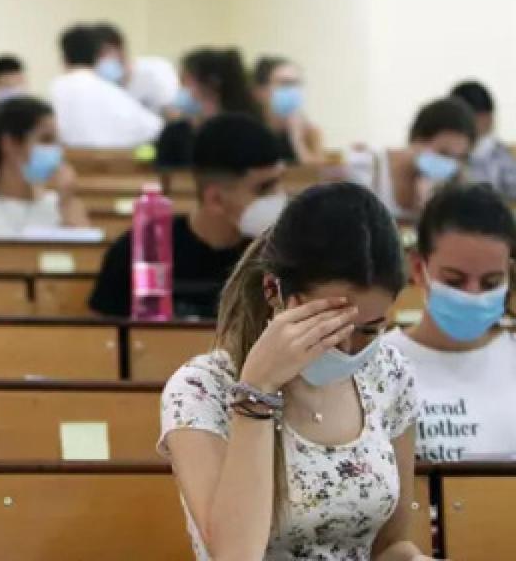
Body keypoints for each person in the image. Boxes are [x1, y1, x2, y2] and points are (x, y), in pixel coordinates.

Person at [160, 181, 430, 560]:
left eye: (370, 329)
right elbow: (234, 554)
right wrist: (257, 389)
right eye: (329, 327)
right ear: (274, 289)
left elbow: (391, 545)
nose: (349, 348)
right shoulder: (201, 388)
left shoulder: (388, 372)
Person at [90, 113, 286, 319]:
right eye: (264, 188)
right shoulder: (139, 252)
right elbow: (103, 339)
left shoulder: (280, 256)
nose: (278, 197)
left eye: (279, 182)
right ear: (215, 199)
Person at [383, 183, 516, 462]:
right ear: (419, 269)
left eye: (491, 282)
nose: (473, 295)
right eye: (454, 280)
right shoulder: (381, 363)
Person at [0, 97, 89, 238]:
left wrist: (66, 203)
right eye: (46, 140)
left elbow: (84, 254)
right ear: (10, 144)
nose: (57, 150)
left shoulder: (60, 204)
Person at [345, 97, 476, 219]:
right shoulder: (366, 168)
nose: (452, 165)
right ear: (418, 141)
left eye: (460, 158)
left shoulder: (443, 190)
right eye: (444, 154)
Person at [50, 24, 162, 149]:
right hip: (120, 162)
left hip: (73, 160)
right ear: (96, 57)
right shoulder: (111, 91)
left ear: (64, 59)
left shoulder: (57, 87)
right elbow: (155, 129)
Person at [156, 47, 261, 170]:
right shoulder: (174, 133)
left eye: (186, 80)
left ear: (212, 83)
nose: (181, 88)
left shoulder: (248, 131)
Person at [252, 56, 325, 165]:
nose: (293, 91)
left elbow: (318, 175)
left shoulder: (311, 131)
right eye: (286, 84)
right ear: (260, 92)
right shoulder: (249, 132)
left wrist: (296, 139)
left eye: (297, 84)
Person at [450, 80, 516, 199]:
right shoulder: (444, 154)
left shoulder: (497, 151)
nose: (487, 123)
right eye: (479, 118)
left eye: (489, 116)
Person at [94, 22, 178, 115]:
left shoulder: (156, 71)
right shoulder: (101, 86)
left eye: (105, 52)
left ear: (121, 50)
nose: (101, 60)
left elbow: (174, 113)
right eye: (97, 56)